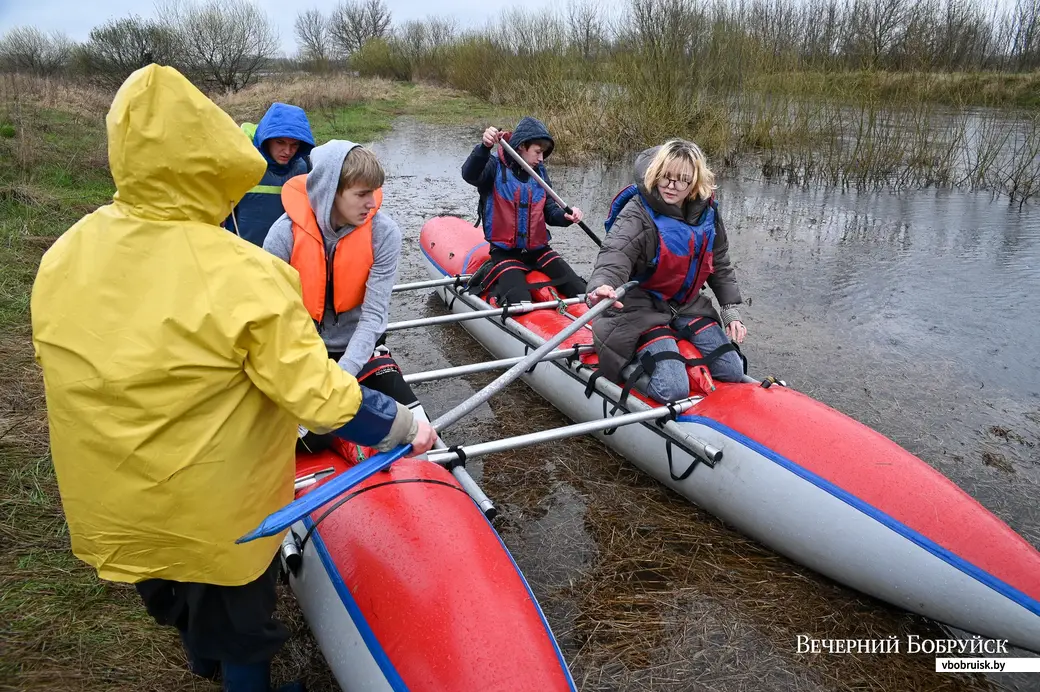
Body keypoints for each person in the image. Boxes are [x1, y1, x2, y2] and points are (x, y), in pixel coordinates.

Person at [29, 65, 436, 692]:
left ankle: (203, 660)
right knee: (243, 626)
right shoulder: (246, 273)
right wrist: (402, 423)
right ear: (217, 163)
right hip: (218, 510)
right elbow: (319, 396)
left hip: (114, 500)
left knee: (174, 589)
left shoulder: (65, 254)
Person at [263, 141, 421, 455]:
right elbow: (272, 324)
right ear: (330, 190)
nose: (371, 203)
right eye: (362, 194)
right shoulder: (282, 236)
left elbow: (374, 317)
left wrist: (340, 378)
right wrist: (319, 382)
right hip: (306, 356)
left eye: (374, 192)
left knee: (418, 426)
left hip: (360, 354)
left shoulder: (384, 234)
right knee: (296, 441)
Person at [585, 138, 747, 404]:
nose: (672, 186)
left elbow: (719, 261)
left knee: (732, 370)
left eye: (682, 180)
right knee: (672, 389)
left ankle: (673, 346)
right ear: (655, 173)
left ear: (694, 182)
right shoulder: (637, 213)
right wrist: (602, 286)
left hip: (686, 305)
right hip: (639, 308)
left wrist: (730, 309)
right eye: (666, 177)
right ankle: (631, 368)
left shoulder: (708, 212)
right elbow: (615, 256)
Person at [461, 116, 587, 305]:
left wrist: (566, 216)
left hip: (538, 250)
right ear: (521, 146)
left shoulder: (540, 173)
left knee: (580, 289)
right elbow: (469, 174)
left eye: (543, 153)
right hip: (504, 251)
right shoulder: (494, 166)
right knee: (520, 300)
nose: (541, 158)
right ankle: (494, 284)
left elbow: (550, 211)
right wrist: (484, 148)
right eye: (537, 152)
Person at [225, 102, 315, 247]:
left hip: (285, 257)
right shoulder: (242, 164)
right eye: (280, 142)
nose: (287, 151)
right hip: (244, 255)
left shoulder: (304, 168)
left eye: (295, 145)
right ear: (266, 139)